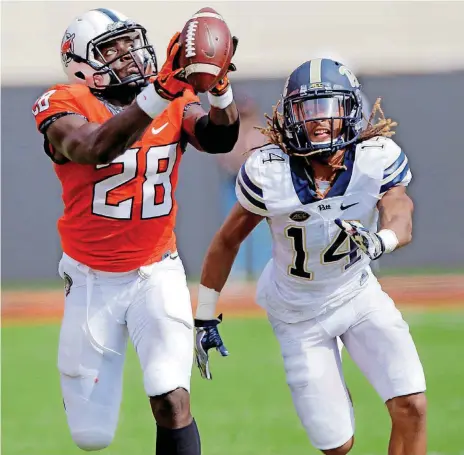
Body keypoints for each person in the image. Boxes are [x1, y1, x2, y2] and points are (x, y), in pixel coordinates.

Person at [31, 8, 239, 454]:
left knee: (171, 397)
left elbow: (218, 138)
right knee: (92, 437)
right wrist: (161, 91)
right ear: (83, 66)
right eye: (113, 49)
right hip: (91, 279)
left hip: (156, 271)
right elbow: (95, 147)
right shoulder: (62, 102)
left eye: (131, 43)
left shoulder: (171, 101)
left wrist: (219, 88)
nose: (129, 55)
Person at [193, 58, 427, 455]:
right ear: (289, 116)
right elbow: (227, 240)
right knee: (338, 445)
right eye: (307, 109)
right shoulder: (270, 172)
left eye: (328, 108)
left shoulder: (376, 156)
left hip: (357, 294)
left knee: (412, 405)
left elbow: (400, 208)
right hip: (298, 313)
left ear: (350, 111)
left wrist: (383, 240)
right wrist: (204, 314)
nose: (318, 121)